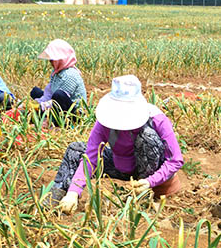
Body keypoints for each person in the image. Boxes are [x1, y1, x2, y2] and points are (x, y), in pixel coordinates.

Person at [46, 75, 184, 213]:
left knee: (147, 136)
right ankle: (58, 199)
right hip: (121, 165)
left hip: (149, 175)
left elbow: (175, 160)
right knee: (75, 150)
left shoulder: (156, 118)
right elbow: (90, 157)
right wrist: (73, 192)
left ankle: (142, 198)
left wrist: (150, 181)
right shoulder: (105, 120)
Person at [28, 39, 87, 123]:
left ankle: (55, 121)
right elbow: (49, 93)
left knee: (59, 95)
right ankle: (44, 115)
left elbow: (58, 100)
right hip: (57, 103)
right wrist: (39, 102)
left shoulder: (70, 75)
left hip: (73, 113)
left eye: (52, 59)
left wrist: (40, 106)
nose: (50, 62)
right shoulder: (56, 72)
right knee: (35, 92)